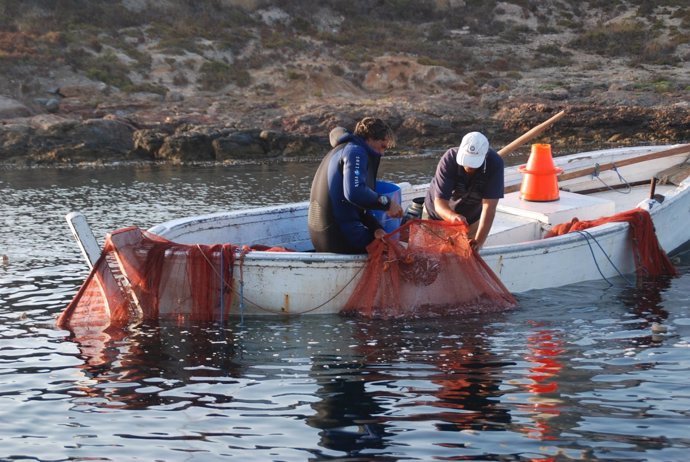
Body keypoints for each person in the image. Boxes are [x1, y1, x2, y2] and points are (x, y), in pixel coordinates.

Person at [308, 117, 403, 254]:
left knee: (383, 237)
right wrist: (387, 203)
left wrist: (376, 228)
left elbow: (356, 205)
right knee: (396, 252)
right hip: (339, 239)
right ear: (370, 138)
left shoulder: (344, 149)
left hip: (321, 238)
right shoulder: (356, 152)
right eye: (382, 146)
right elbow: (355, 193)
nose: (382, 153)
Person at [424, 131, 504, 251]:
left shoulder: (495, 164)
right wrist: (453, 217)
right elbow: (439, 203)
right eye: (466, 161)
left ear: (485, 156)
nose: (468, 167)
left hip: (471, 220)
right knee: (430, 255)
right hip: (435, 217)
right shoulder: (449, 158)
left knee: (465, 257)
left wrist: (478, 242)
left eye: (473, 164)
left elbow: (489, 208)